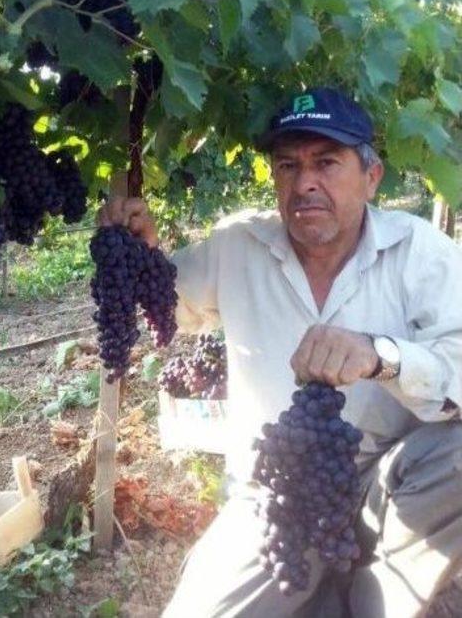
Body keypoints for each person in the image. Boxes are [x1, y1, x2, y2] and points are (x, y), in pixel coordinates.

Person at [98, 87, 462, 618]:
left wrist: (382, 356)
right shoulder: (238, 245)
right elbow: (170, 308)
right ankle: (322, 584)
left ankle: (374, 591)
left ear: (372, 176)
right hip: (278, 489)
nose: (305, 182)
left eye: (326, 162)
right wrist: (143, 254)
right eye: (288, 165)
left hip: (389, 480)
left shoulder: (419, 250)